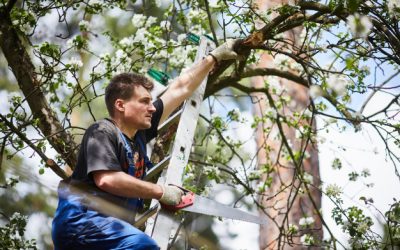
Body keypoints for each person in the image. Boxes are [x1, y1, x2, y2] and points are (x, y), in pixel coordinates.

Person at [51, 39, 241, 250]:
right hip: (81, 223)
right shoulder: (102, 132)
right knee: (144, 246)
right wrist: (161, 191)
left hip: (105, 229)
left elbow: (180, 88)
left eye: (151, 102)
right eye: (144, 101)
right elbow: (107, 179)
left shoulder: (139, 135)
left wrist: (213, 57)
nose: (152, 108)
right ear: (120, 105)